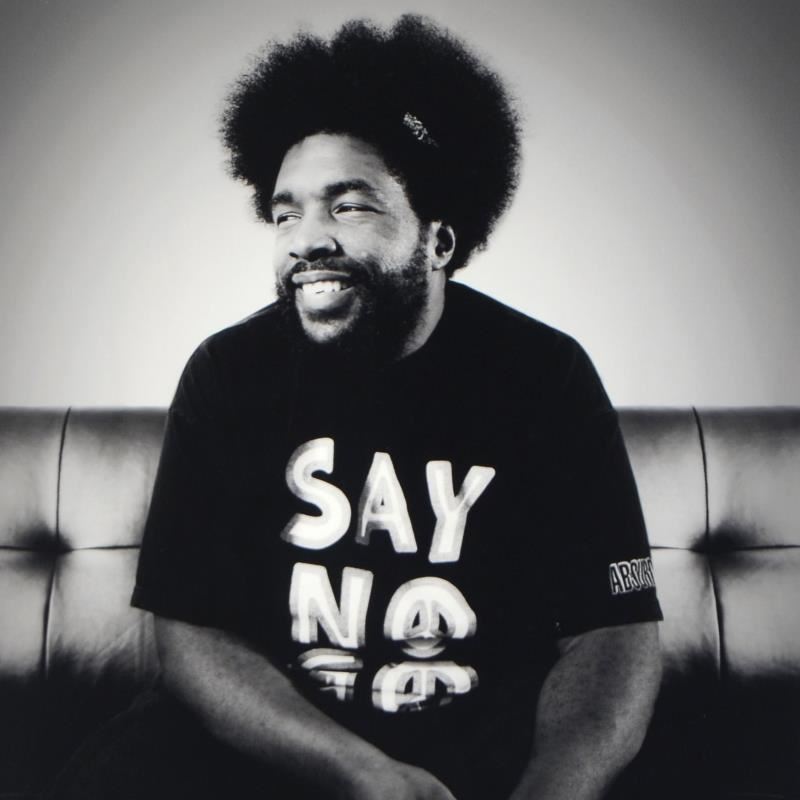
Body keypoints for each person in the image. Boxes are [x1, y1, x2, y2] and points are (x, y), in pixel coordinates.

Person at [51, 14, 662, 800]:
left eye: (349, 206)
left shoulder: (546, 376)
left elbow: (611, 634)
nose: (305, 240)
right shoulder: (228, 375)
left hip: (486, 748)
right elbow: (191, 632)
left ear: (438, 241)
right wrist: (361, 773)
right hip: (277, 745)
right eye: (285, 212)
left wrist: (549, 791)